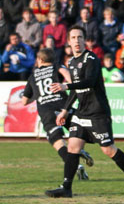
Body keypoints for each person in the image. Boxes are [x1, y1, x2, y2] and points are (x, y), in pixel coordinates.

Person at [44, 25, 124, 198]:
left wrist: (65, 85)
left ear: (85, 40)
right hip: (81, 113)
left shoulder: (91, 58)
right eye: (73, 38)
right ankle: (66, 187)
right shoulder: (71, 62)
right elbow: (75, 91)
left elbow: (89, 82)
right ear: (68, 42)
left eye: (80, 37)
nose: (77, 41)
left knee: (108, 149)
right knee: (73, 147)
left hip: (98, 112)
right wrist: (65, 111)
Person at [22, 48, 93, 180]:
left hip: (47, 111)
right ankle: (79, 150)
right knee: (79, 132)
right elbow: (69, 77)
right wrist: (67, 85)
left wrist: (37, 95)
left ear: (40, 60)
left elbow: (24, 101)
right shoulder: (56, 67)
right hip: (64, 107)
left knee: (58, 141)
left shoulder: (33, 76)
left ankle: (76, 166)